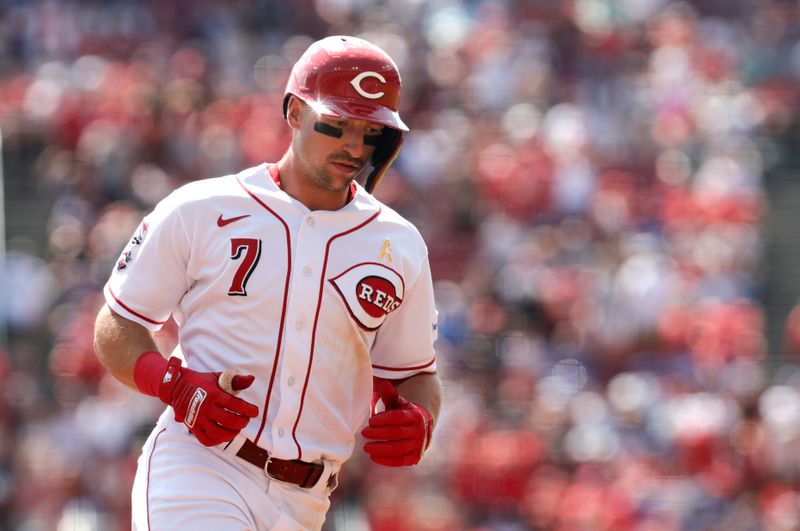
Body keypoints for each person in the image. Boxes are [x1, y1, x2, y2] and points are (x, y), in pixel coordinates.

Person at [93, 35, 442, 531]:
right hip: (201, 467)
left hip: (311, 499)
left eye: (370, 131)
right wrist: (172, 384)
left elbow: (416, 374)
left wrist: (422, 420)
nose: (353, 146)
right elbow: (116, 324)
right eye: (337, 124)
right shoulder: (201, 208)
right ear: (295, 113)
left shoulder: (399, 243)